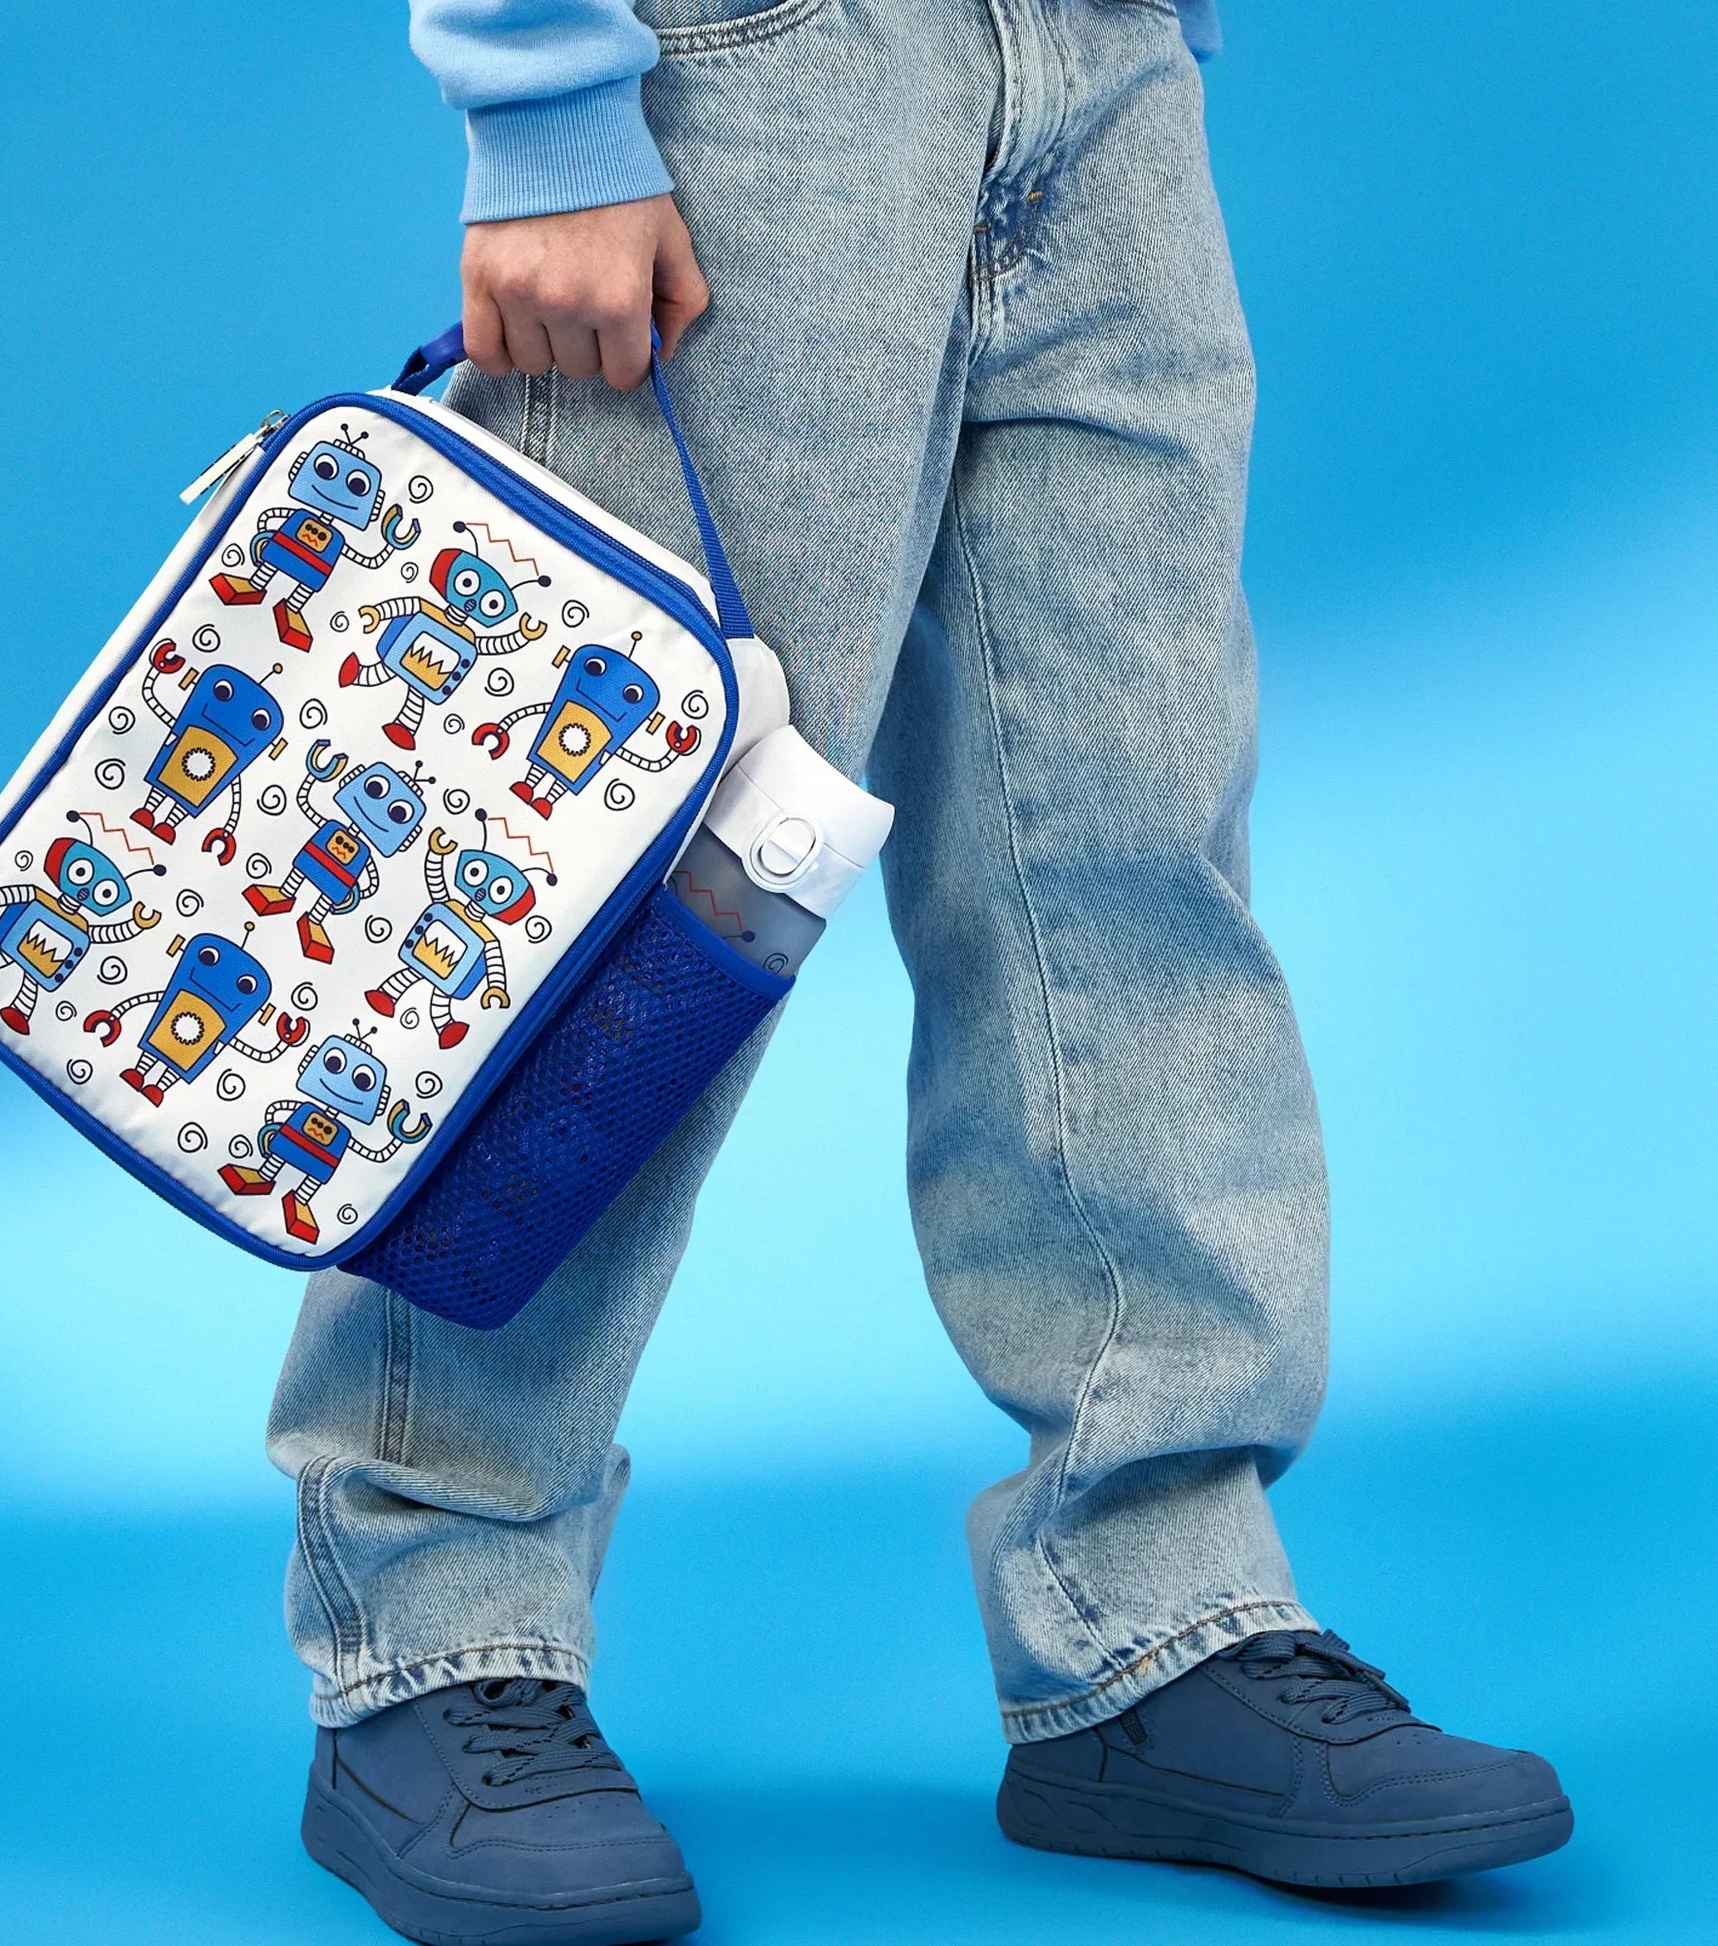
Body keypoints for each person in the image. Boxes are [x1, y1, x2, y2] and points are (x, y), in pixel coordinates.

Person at [266, 3, 1573, 1938]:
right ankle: (432, 1629)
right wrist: (545, 97)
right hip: (747, 70)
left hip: (1104, 69)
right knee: (618, 888)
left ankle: (1151, 1617)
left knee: (1126, 854)